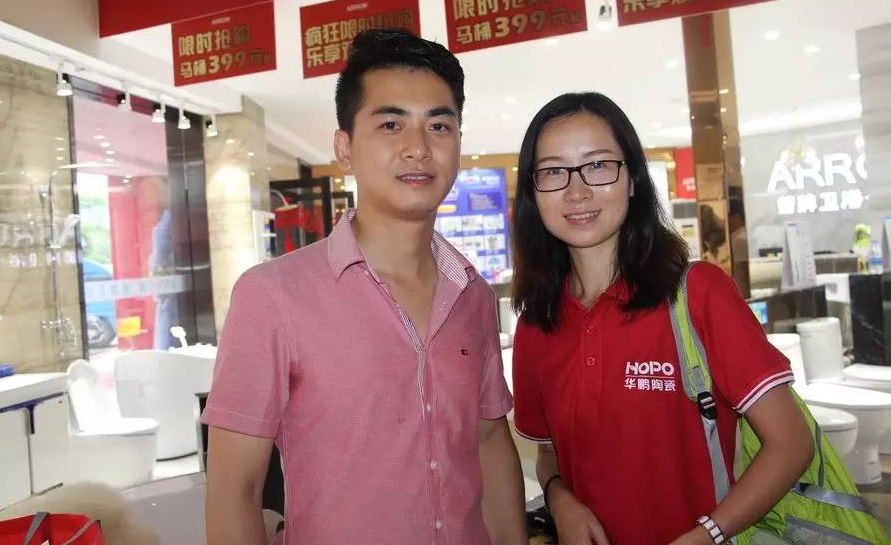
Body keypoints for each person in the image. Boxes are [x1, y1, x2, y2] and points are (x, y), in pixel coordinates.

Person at [203, 28, 527, 545]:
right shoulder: (272, 296)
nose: (418, 148)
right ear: (345, 149)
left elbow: (489, 439)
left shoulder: (473, 296)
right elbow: (234, 491)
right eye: (391, 124)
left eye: (439, 125)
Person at [510, 92, 814, 545]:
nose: (577, 191)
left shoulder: (698, 294)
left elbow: (791, 444)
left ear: (633, 179)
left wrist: (708, 534)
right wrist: (559, 497)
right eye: (554, 171)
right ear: (533, 192)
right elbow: (549, 452)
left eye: (598, 165)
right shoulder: (537, 323)